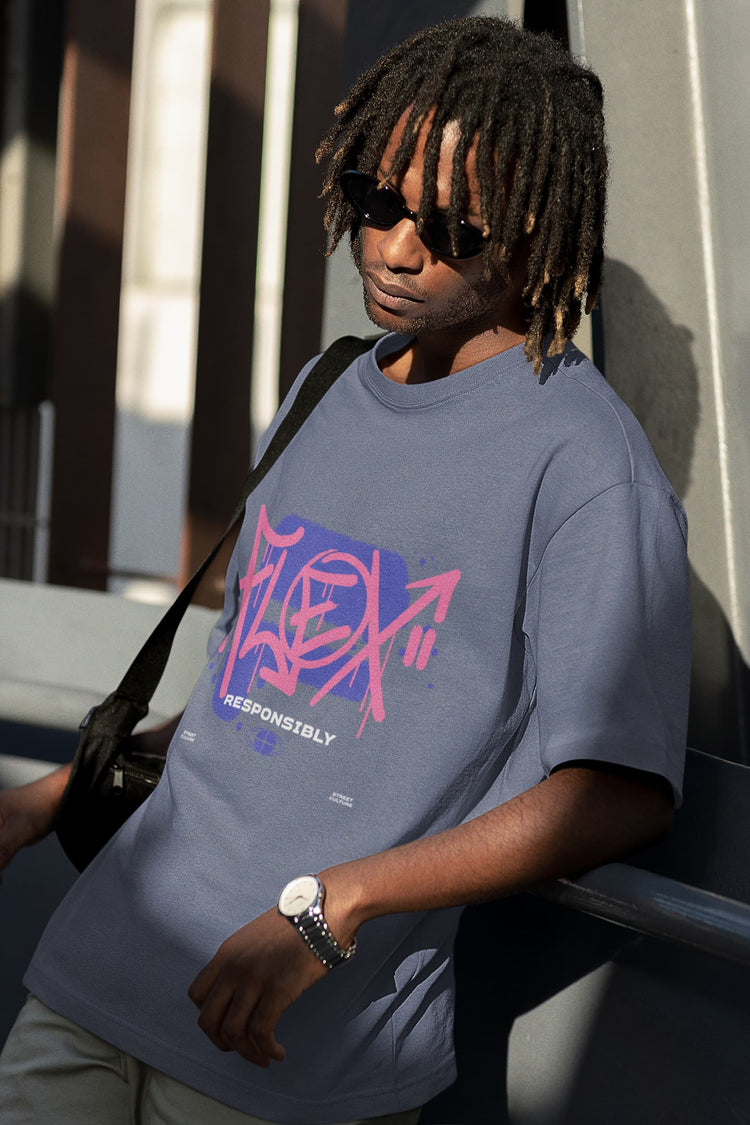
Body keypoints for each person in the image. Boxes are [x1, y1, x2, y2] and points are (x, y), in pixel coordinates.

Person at [0, 16, 690, 1125]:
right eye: (379, 202)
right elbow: (261, 684)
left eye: (454, 224)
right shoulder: (327, 389)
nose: (396, 248)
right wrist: (57, 794)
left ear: (536, 230)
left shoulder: (585, 467)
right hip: (96, 971)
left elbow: (618, 791)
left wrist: (336, 909)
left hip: (289, 1046)